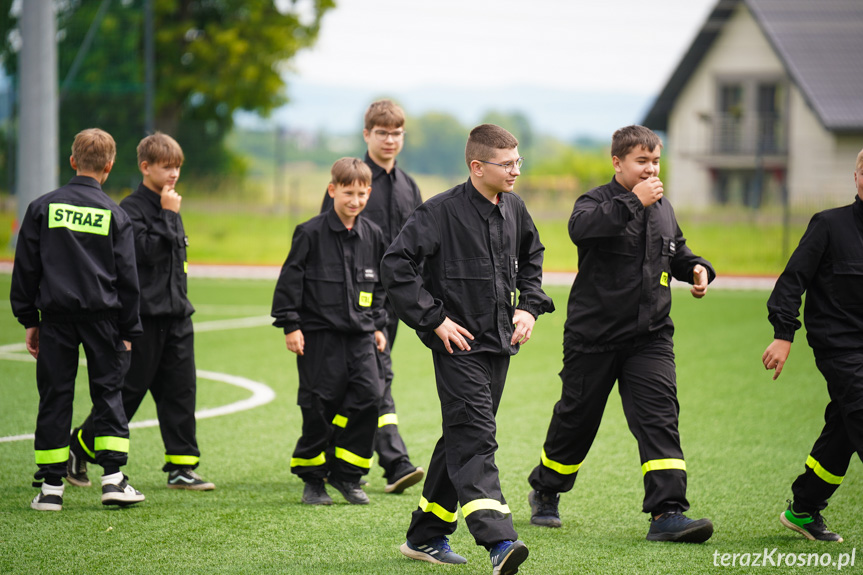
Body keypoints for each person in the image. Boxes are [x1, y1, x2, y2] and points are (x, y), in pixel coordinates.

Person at [526, 125, 715, 543]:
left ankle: (667, 513)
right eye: (641, 162)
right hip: (592, 337)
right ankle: (546, 489)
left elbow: (676, 250)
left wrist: (698, 268)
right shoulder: (595, 201)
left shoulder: (664, 207)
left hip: (650, 338)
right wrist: (633, 201)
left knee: (660, 417)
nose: (651, 169)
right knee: (577, 422)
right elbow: (582, 230)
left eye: (655, 161)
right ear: (617, 163)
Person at [382, 124, 553, 574]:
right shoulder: (439, 212)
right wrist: (434, 319)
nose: (517, 170)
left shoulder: (515, 209)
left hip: (500, 345)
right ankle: (500, 542)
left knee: (461, 434)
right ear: (477, 167)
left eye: (518, 161)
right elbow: (396, 265)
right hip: (459, 350)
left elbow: (532, 258)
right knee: (477, 436)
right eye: (507, 163)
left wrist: (529, 308)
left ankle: (426, 535)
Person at [67, 132, 215, 491]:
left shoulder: (170, 204)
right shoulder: (131, 208)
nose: (174, 174)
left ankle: (182, 466)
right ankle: (80, 446)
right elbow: (142, 256)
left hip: (177, 317)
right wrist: (167, 216)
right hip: (145, 319)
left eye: (177, 166)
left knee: (181, 391)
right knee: (128, 393)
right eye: (167, 167)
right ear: (145, 167)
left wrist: (169, 214)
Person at [10, 128, 146, 511]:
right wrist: (129, 330)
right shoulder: (116, 214)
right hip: (104, 319)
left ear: (72, 161)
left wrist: (29, 318)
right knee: (108, 394)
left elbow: (26, 269)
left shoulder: (41, 207)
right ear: (109, 166)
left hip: (54, 318)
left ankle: (51, 488)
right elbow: (128, 279)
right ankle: (113, 480)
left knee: (55, 395)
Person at [320, 99, 425, 494]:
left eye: (396, 133)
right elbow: (328, 244)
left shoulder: (409, 186)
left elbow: (421, 247)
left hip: (394, 304)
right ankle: (395, 462)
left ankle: (337, 459)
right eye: (381, 133)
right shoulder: (351, 178)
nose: (389, 140)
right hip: (355, 307)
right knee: (376, 377)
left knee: (365, 381)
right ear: (367, 135)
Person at [761, 147, 863, 543]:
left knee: (843, 430)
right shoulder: (828, 225)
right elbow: (792, 282)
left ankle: (803, 508)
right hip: (841, 349)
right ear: (856, 178)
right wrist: (783, 335)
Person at [273, 157, 388, 505]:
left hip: (361, 337)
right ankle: (313, 480)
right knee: (318, 406)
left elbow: (381, 285)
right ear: (332, 190)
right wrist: (291, 325)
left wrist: (378, 324)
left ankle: (347, 475)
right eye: (348, 192)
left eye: (362, 193)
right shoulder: (309, 233)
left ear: (369, 193)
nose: (355, 200)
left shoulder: (374, 235)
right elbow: (289, 282)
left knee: (371, 396)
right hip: (318, 338)